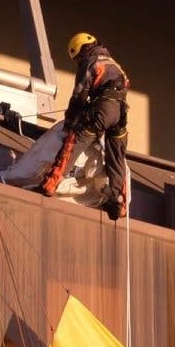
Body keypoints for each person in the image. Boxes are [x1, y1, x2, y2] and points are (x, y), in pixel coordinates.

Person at [41, 32, 129, 221]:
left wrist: (70, 121)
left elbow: (79, 95)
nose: (79, 61)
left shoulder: (90, 62)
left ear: (81, 51)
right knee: (116, 158)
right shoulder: (113, 63)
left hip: (104, 111)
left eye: (78, 57)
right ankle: (118, 202)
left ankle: (51, 183)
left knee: (74, 144)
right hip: (121, 114)